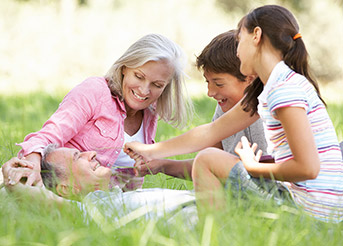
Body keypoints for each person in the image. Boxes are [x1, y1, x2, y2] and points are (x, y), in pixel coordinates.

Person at [125, 5, 343, 223]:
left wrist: (253, 168)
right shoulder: (273, 87)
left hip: (312, 213)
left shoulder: (284, 90)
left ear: (256, 36)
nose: (237, 52)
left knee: (208, 159)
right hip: (306, 205)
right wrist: (150, 150)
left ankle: (215, 234)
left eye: (239, 41)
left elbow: (308, 168)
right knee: (210, 156)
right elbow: (211, 132)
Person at [3, 33, 193, 191]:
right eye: (139, 76)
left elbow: (128, 182)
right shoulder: (96, 91)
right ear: (125, 68)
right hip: (66, 192)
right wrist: (32, 166)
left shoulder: (150, 114)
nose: (144, 90)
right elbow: (47, 137)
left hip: (109, 203)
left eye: (157, 85)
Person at [134, 30, 270, 179]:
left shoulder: (266, 104)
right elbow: (207, 166)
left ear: (250, 78)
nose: (210, 92)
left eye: (218, 84)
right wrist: (162, 165)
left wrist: (151, 150)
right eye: (207, 82)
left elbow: (207, 138)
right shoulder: (224, 108)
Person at [2, 145, 197, 228]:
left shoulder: (114, 198)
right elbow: (43, 200)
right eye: (78, 157)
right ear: (67, 190)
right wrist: (13, 182)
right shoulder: (94, 209)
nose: (92, 153)